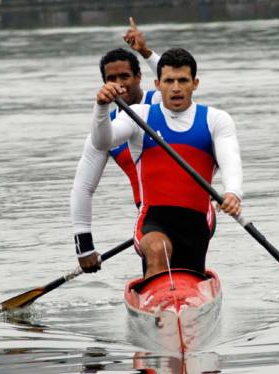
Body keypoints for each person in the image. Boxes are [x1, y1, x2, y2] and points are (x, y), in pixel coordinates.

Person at [89, 47, 243, 279]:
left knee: (189, 274)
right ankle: (157, 305)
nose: (176, 88)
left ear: (195, 83)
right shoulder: (138, 115)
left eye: (183, 80)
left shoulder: (216, 120)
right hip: (152, 220)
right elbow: (102, 141)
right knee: (157, 250)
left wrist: (233, 192)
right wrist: (101, 107)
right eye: (169, 81)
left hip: (197, 221)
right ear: (158, 84)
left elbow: (230, 160)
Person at [71, 19, 161, 273]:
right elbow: (83, 188)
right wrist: (84, 247)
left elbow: (174, 76)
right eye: (111, 79)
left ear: (139, 77)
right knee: (154, 258)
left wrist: (145, 52)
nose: (120, 84)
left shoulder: (163, 101)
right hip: (149, 216)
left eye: (125, 76)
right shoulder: (104, 132)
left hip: (188, 207)